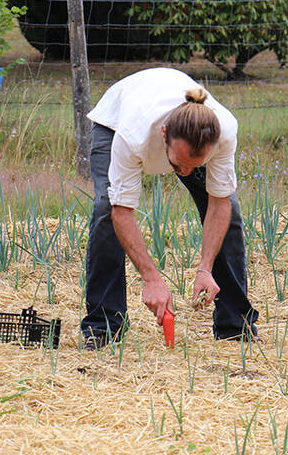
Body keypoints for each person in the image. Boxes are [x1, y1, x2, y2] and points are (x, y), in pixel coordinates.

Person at [82, 67, 258, 348]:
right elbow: (122, 211)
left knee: (231, 211)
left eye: (195, 165)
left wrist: (205, 269)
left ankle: (235, 327)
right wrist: (152, 279)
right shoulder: (133, 135)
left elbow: (219, 202)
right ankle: (103, 327)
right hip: (114, 121)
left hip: (176, 133)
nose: (186, 172)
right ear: (164, 134)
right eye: (180, 164)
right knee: (105, 209)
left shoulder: (223, 131)